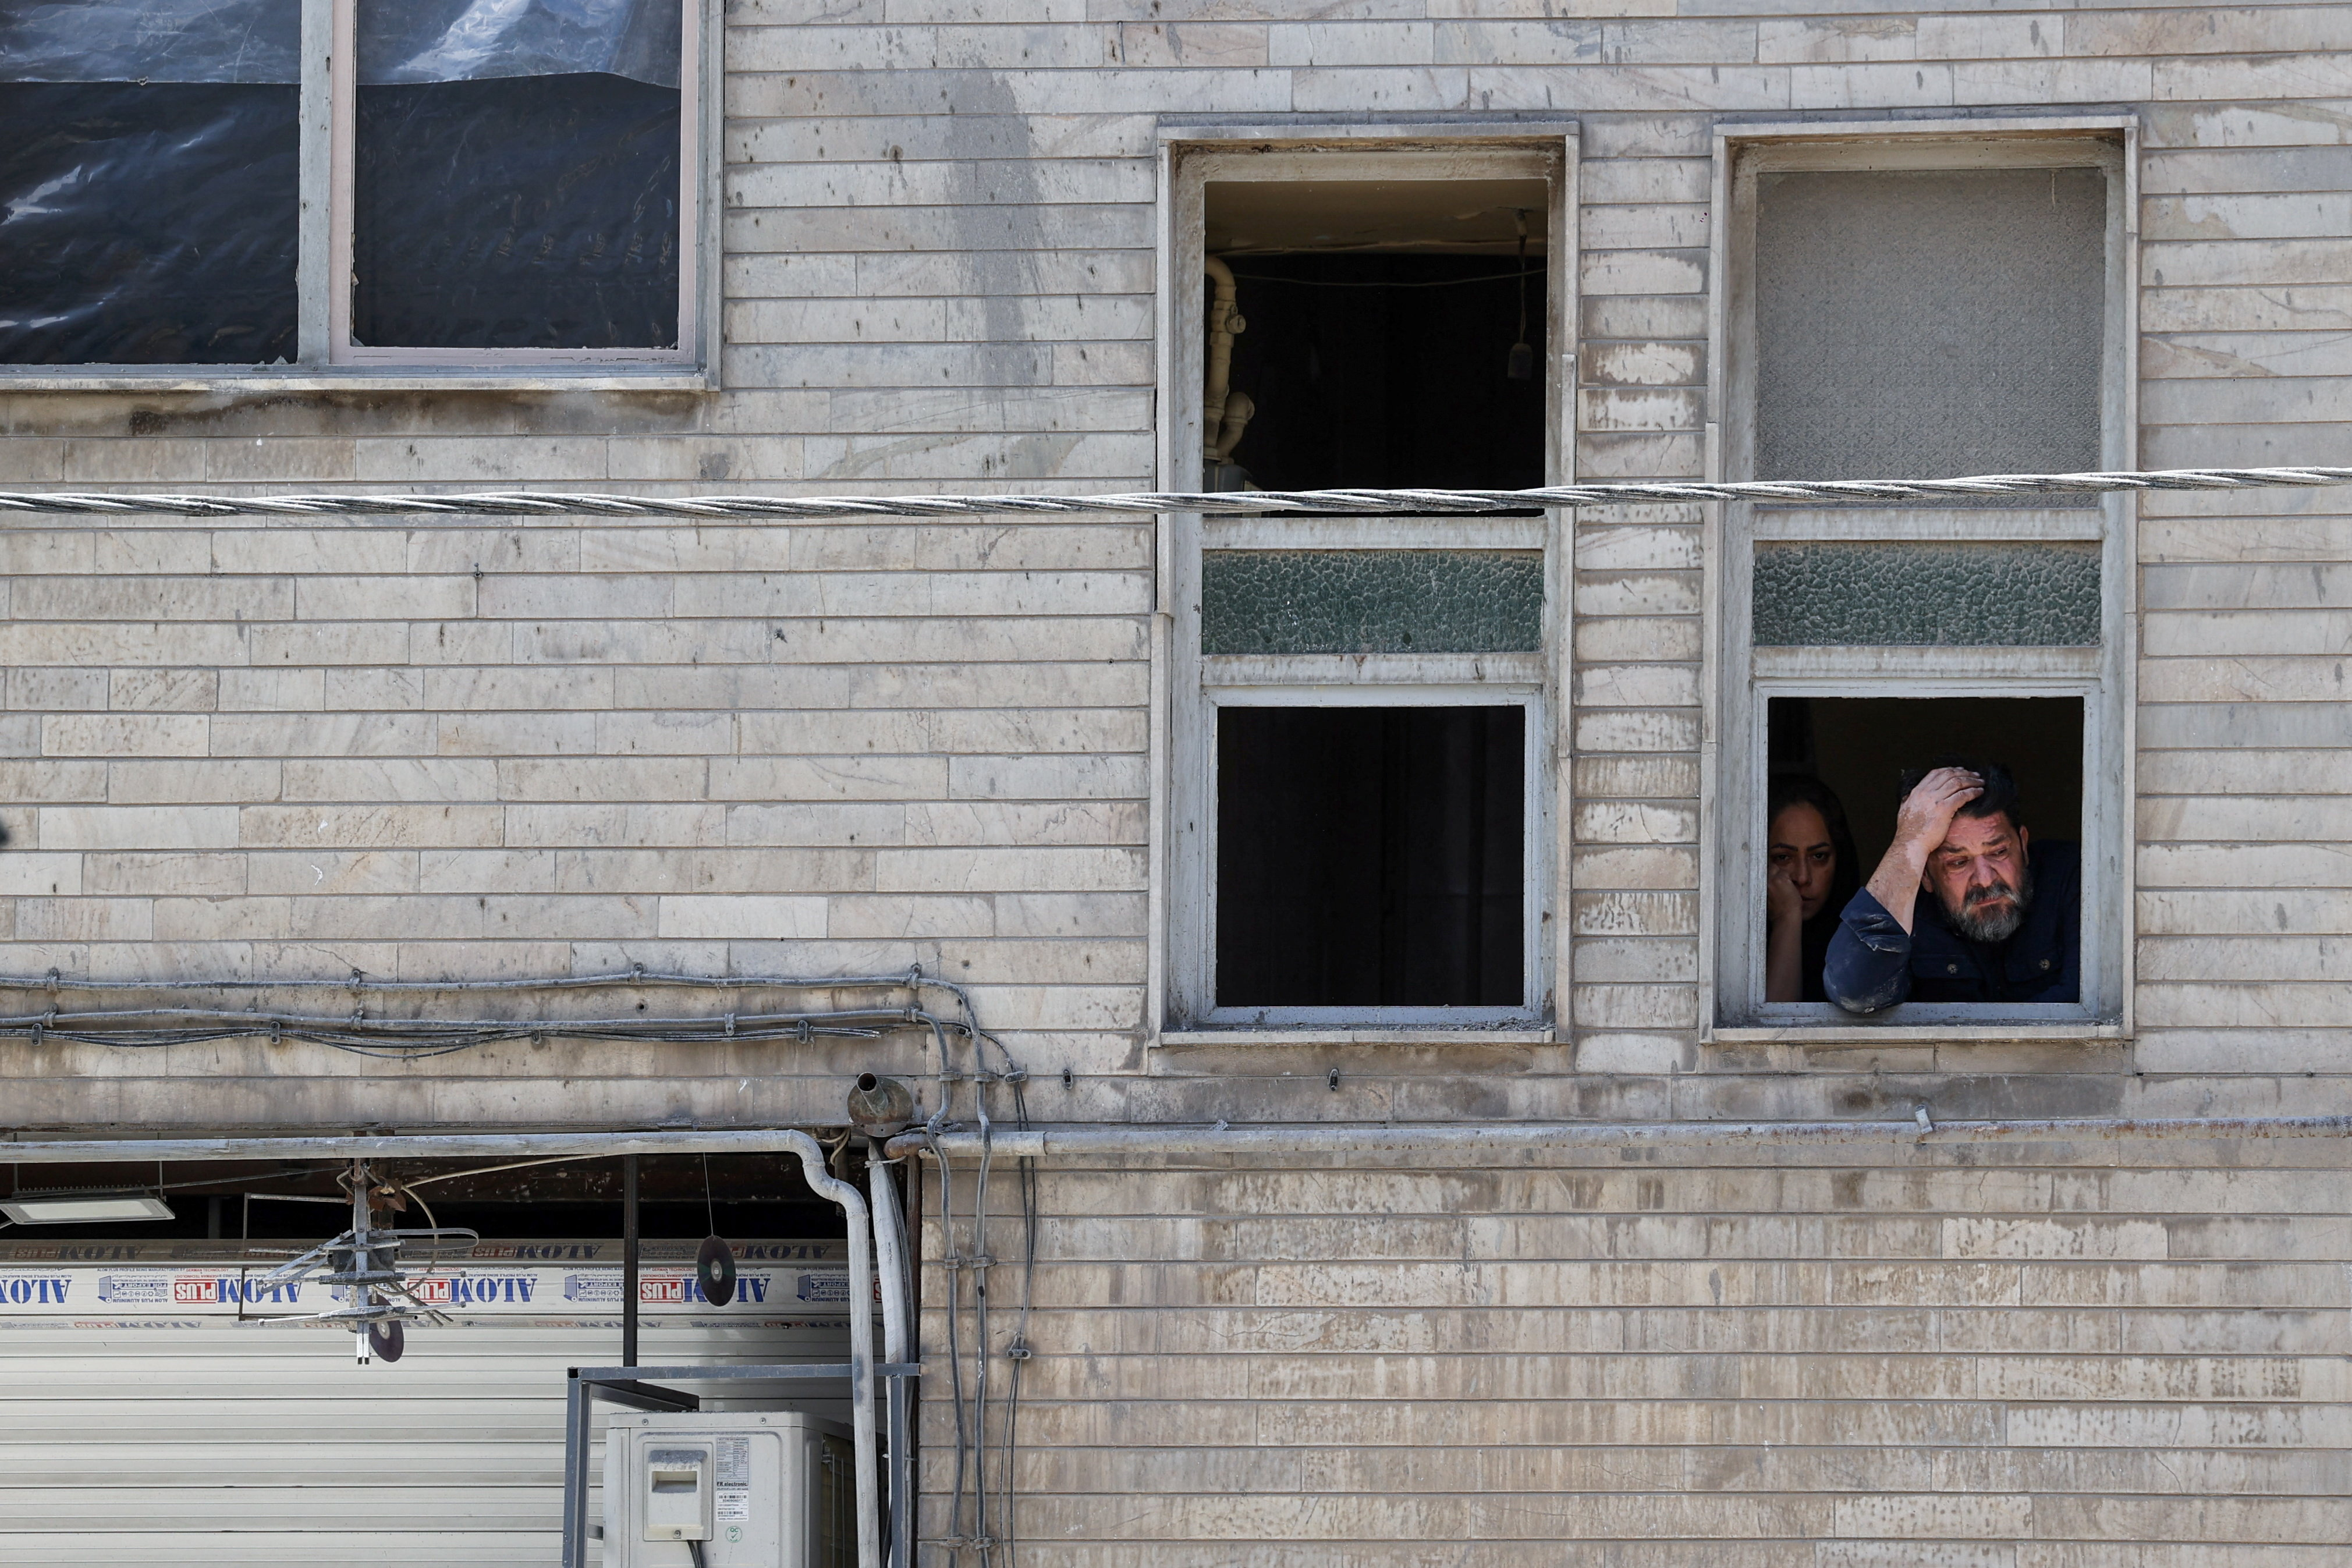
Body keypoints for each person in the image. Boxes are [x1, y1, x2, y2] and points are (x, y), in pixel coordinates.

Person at [1825, 758, 2079, 1014]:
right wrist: (1909, 842)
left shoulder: (2070, 877)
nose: (1985, 879)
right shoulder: (1908, 911)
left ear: (2023, 845)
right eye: (1958, 862)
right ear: (1925, 874)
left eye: (1999, 852)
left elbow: (2092, 1003)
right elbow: (1857, 993)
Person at [1764, 775, 1858, 1003]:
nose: (1803, 877)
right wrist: (1787, 917)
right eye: (1784, 857)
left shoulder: (1864, 941)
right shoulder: (1730, 944)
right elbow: (1770, 1031)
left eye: (1819, 856)